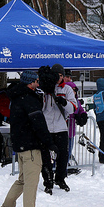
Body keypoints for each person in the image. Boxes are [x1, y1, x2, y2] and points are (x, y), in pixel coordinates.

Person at [0, 70, 57, 207]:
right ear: (30, 83)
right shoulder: (29, 99)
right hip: (31, 146)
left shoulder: (17, 97)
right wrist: (49, 142)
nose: (38, 84)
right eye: (36, 81)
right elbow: (39, 124)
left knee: (23, 179)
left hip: (21, 144)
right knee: (31, 181)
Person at [38, 64, 77, 194]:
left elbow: (73, 109)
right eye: (56, 75)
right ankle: (48, 181)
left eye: (60, 75)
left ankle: (60, 179)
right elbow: (40, 108)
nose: (58, 78)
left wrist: (64, 102)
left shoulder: (67, 89)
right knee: (45, 157)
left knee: (63, 156)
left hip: (61, 127)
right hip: (46, 128)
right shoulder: (44, 88)